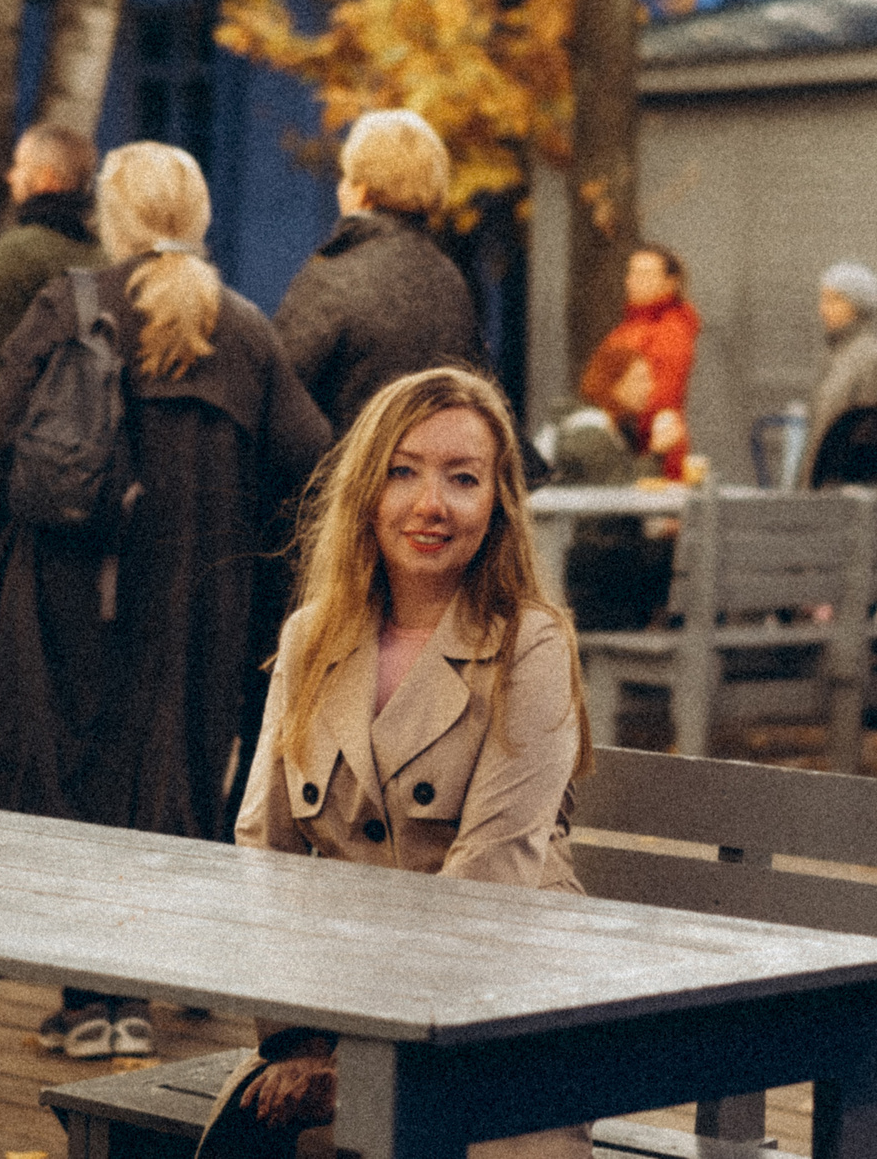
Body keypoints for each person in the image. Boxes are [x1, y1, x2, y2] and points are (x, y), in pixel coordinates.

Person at [0, 142, 330, 1061]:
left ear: (110, 219)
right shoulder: (243, 328)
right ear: (197, 217)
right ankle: (143, 982)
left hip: (78, 588)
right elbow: (315, 461)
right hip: (205, 599)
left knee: (79, 773)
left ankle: (92, 1001)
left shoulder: (69, 306)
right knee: (178, 774)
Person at [221, 366, 590, 1159]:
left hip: (502, 1022)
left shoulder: (531, 646)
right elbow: (265, 851)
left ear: (497, 502)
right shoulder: (311, 637)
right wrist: (293, 1042)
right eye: (404, 472)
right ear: (367, 491)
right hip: (329, 1023)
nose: (432, 504)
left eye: (463, 478)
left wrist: (353, 1061)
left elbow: (487, 881)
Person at [273, 110, 484, 437]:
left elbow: (276, 401)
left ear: (362, 191)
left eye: (346, 177)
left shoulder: (333, 279)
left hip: (352, 482)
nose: (339, 189)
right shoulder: (450, 282)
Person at [549, 341, 682, 632]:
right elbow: (622, 493)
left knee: (688, 551)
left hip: (603, 553)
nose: (648, 387)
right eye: (638, 379)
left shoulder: (614, 429)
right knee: (683, 557)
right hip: (585, 564)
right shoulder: (587, 430)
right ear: (611, 383)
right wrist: (658, 452)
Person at [0, 122, 105, 379]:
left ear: (46, 178)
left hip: (29, 413)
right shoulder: (105, 252)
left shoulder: (18, 252)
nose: (9, 176)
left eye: (19, 166)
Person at [795, 260, 877, 488]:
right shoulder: (835, 355)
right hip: (822, 486)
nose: (823, 309)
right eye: (823, 299)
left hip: (844, 494)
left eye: (834, 300)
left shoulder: (872, 359)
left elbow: (870, 437)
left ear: (858, 305)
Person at [601, 244, 699, 479]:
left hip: (650, 451)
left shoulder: (672, 330)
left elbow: (662, 396)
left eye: (645, 274)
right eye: (631, 272)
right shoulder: (629, 326)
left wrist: (611, 422)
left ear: (670, 283)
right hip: (627, 446)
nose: (633, 281)